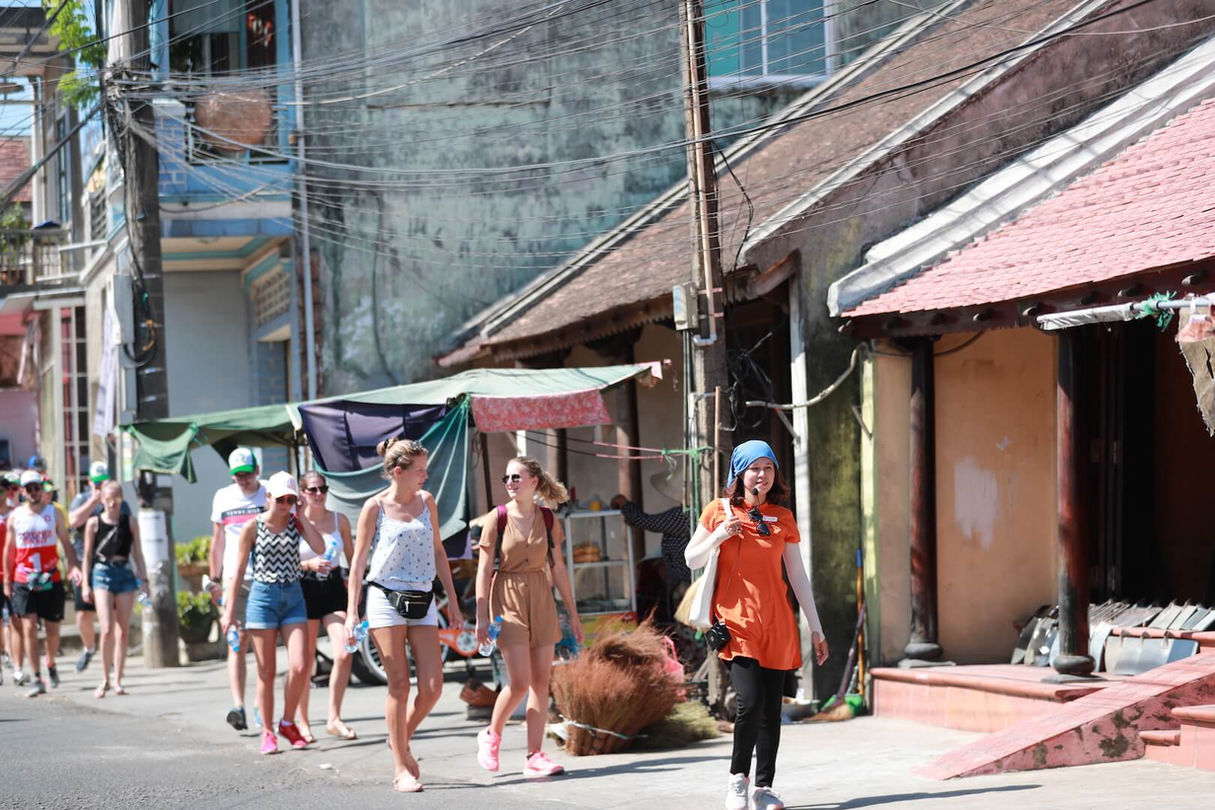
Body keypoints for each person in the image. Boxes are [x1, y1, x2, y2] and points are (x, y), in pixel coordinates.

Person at [684, 440, 829, 810]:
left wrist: (816, 627)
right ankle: (737, 781)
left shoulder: (783, 517)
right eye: (753, 468)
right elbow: (690, 558)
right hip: (736, 621)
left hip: (777, 622)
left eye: (767, 468)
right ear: (738, 473)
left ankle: (763, 787)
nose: (761, 475)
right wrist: (720, 534)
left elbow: (797, 575)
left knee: (770, 709)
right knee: (750, 701)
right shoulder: (719, 511)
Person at [345, 438, 462, 793]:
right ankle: (401, 768)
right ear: (398, 472)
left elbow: (439, 551)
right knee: (399, 684)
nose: (426, 476)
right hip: (383, 596)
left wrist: (453, 601)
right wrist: (352, 612)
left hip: (423, 596)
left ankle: (400, 738)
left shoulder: (427, 502)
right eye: (420, 470)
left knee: (433, 687)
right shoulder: (374, 507)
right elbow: (358, 562)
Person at [474, 456, 584, 780]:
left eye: (517, 477)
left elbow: (559, 569)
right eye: (507, 477)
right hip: (506, 597)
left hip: (541, 596)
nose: (510, 482)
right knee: (520, 681)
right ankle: (491, 734)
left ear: (533, 482)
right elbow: (483, 569)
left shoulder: (548, 519)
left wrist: (573, 615)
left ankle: (534, 756)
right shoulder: (498, 518)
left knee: (540, 682)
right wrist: (481, 616)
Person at [221, 471, 326, 756]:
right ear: (269, 497)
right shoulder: (252, 527)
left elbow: (321, 547)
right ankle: (267, 731)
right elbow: (238, 571)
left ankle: (287, 722)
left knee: (301, 665)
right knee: (266, 672)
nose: (285, 504)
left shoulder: (296, 521)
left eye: (291, 499)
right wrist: (229, 611)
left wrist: (302, 515)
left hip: (293, 595)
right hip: (263, 597)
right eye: (281, 499)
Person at [2, 470, 81, 697]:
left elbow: (66, 543)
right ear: (24, 492)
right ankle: (36, 678)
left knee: (53, 630)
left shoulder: (54, 514)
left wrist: (73, 566)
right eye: (30, 489)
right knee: (28, 626)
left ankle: (51, 661)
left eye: (38, 488)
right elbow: (9, 551)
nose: (34, 492)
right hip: (23, 579)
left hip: (50, 578)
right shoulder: (15, 517)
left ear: (41, 489)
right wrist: (7, 581)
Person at [295, 470, 357, 742]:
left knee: (344, 652)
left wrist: (356, 600)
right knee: (305, 662)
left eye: (322, 489)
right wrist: (308, 564)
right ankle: (303, 722)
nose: (319, 494)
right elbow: (282, 563)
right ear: (302, 493)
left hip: (333, 587)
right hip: (304, 588)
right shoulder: (295, 522)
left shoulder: (338, 520)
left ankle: (334, 717)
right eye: (312, 490)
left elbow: (354, 563)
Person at [208, 448, 267, 731]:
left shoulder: (268, 492)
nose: (242, 480)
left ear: (256, 470)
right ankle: (238, 705)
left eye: (246, 474)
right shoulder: (223, 496)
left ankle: (259, 704)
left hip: (265, 576)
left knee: (261, 644)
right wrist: (214, 578)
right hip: (234, 579)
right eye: (237, 475)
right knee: (237, 640)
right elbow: (217, 541)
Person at [80, 481, 149, 698]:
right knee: (107, 628)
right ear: (102, 500)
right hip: (101, 572)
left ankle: (118, 680)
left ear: (122, 499)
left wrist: (144, 578)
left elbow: (138, 552)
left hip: (125, 573)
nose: (112, 504)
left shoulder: (130, 522)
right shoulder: (93, 524)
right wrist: (85, 583)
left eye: (116, 499)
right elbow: (88, 555)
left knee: (123, 630)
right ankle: (105, 679)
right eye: (108, 499)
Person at [68, 462, 129, 674]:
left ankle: (111, 658)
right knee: (83, 614)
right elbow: (73, 521)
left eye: (103, 483)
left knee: (110, 617)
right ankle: (89, 647)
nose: (100, 486)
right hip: (84, 563)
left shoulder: (116, 501)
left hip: (109, 565)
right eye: (96, 483)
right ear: (89, 483)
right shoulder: (82, 499)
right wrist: (94, 500)